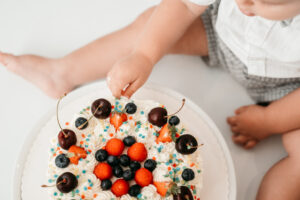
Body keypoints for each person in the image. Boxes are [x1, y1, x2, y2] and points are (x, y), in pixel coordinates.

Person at [1, 0, 300, 199]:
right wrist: (145, 55)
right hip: (220, 37)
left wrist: (270, 119)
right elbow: (183, 4)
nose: (245, 4)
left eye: (266, 0)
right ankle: (61, 72)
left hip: (288, 88)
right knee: (149, 24)